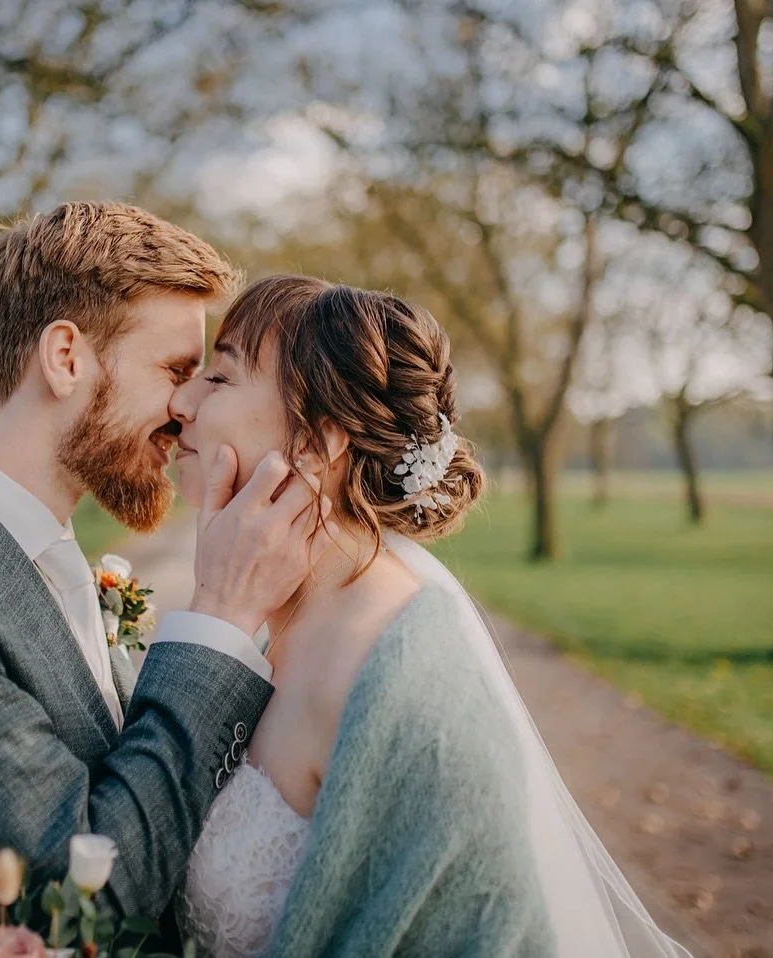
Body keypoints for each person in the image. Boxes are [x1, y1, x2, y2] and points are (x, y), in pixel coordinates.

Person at [0, 205, 328, 936]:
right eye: (175, 370)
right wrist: (222, 619)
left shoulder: (57, 554)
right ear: (65, 357)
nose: (187, 406)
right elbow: (80, 904)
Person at [172, 275, 693, 958]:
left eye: (219, 377)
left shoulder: (397, 679)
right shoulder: (281, 615)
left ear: (316, 443)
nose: (182, 401)